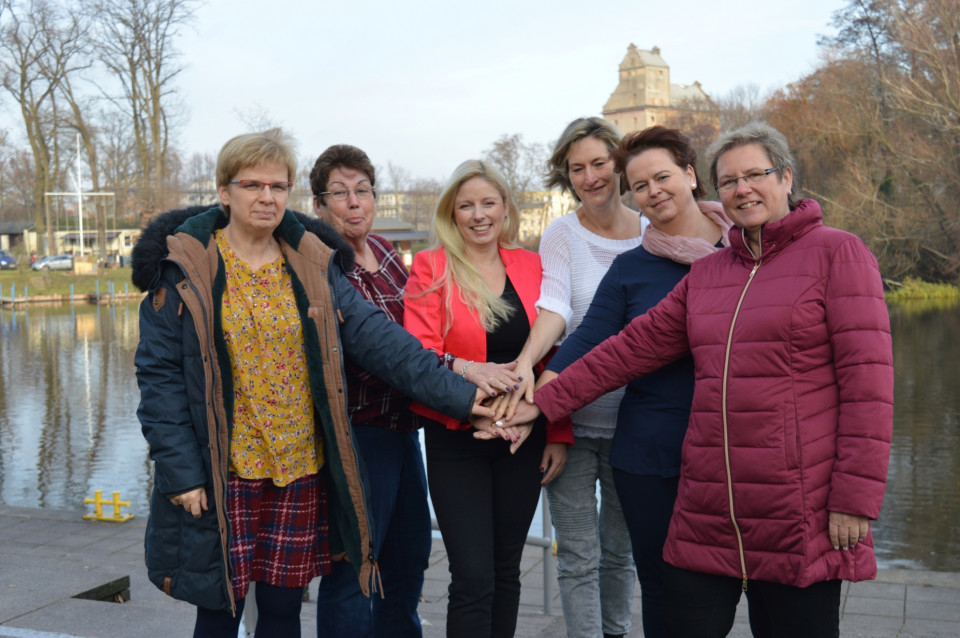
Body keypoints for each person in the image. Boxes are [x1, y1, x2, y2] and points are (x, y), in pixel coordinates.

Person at [509, 122, 894, 638]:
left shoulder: (837, 253)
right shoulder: (711, 273)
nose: (742, 189)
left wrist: (854, 498)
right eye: (730, 181)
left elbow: (868, 387)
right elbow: (624, 351)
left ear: (786, 179)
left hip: (793, 504)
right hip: (709, 505)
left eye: (754, 175)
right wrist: (543, 401)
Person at [132, 129, 492, 638]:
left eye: (278, 186)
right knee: (219, 611)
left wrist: (466, 396)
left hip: (299, 465)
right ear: (223, 191)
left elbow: (382, 342)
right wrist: (182, 473)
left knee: (281, 612)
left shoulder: (311, 264)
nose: (266, 197)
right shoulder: (186, 267)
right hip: (223, 468)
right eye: (252, 185)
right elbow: (159, 378)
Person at [530, 125, 731, 637]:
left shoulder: (746, 252)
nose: (653, 191)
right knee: (660, 582)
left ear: (690, 174)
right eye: (641, 185)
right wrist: (534, 399)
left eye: (662, 177)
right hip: (648, 449)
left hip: (729, 447)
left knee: (724, 582)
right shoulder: (631, 267)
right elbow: (590, 339)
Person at [403, 159, 571, 638]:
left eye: (488, 203)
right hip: (458, 438)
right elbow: (418, 351)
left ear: (505, 209)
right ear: (451, 214)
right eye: (466, 206)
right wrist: (467, 386)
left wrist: (555, 429)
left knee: (505, 571)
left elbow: (555, 353)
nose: (478, 215)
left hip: (523, 437)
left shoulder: (531, 264)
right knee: (473, 576)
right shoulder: (431, 267)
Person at [506, 116, 641, 638]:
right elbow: (555, 304)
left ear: (619, 163)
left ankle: (617, 632)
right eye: (577, 168)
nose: (590, 177)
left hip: (637, 420)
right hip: (572, 419)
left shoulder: (655, 231)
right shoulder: (562, 233)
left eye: (599, 163)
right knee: (579, 553)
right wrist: (525, 362)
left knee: (620, 551)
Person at [309, 144, 431, 638]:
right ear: (319, 205)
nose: (354, 201)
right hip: (359, 436)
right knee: (355, 569)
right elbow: (366, 352)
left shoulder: (383, 251)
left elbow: (421, 330)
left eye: (363, 190)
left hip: (406, 431)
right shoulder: (320, 266)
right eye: (340, 193)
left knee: (409, 559)